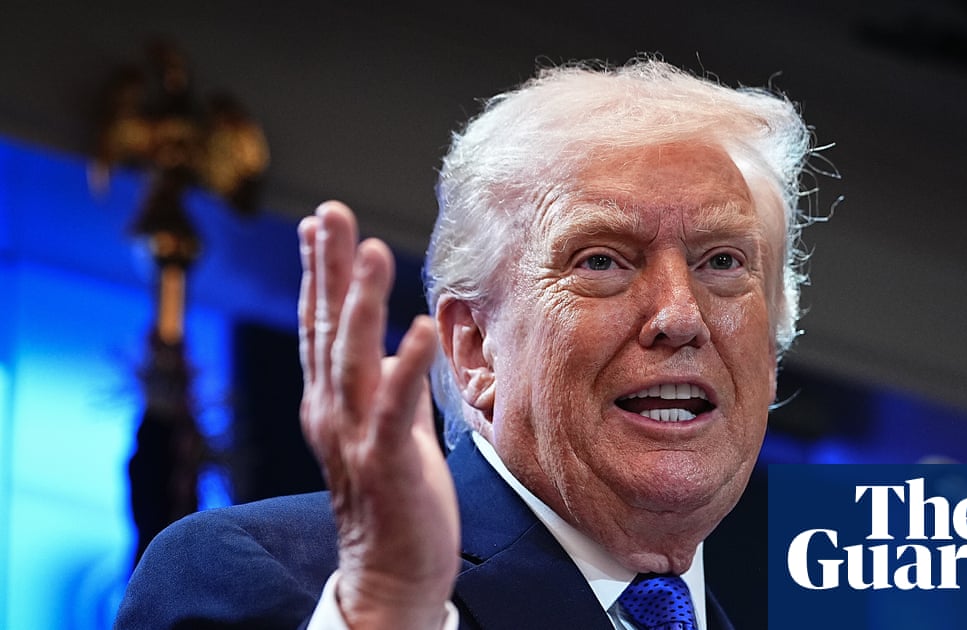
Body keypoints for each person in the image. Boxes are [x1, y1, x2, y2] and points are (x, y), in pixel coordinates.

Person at [115, 57, 819, 629]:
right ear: (477, 348)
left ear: (771, 351)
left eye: (722, 262)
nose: (680, 314)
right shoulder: (256, 576)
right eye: (602, 260)